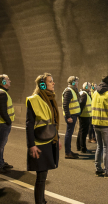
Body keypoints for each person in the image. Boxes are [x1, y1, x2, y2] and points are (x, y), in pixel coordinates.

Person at [26, 73, 61, 204]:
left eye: (53, 81)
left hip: (49, 139)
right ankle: (39, 202)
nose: (53, 83)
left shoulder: (50, 98)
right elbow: (29, 124)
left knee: (44, 174)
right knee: (41, 177)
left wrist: (58, 138)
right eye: (50, 81)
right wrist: (31, 145)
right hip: (39, 142)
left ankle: (42, 200)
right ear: (42, 84)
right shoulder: (34, 99)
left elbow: (53, 121)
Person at [62, 76, 81, 159]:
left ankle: (69, 151)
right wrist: (68, 116)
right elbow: (65, 105)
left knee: (69, 133)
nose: (77, 83)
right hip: (71, 116)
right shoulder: (68, 91)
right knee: (68, 134)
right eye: (76, 81)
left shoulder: (73, 91)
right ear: (73, 82)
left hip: (73, 115)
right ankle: (67, 152)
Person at [0, 74, 15, 173]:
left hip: (3, 123)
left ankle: (1, 162)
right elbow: (2, 110)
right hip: (2, 124)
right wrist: (8, 121)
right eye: (8, 80)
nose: (10, 81)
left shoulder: (3, 92)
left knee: (1, 145)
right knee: (0, 145)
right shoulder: (2, 93)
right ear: (3, 82)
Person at [77, 82, 92, 153]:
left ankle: (79, 146)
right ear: (86, 87)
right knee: (83, 132)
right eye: (89, 86)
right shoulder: (84, 94)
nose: (90, 88)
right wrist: (80, 114)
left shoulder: (83, 93)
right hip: (84, 116)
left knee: (81, 131)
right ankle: (83, 148)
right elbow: (82, 104)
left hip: (83, 115)